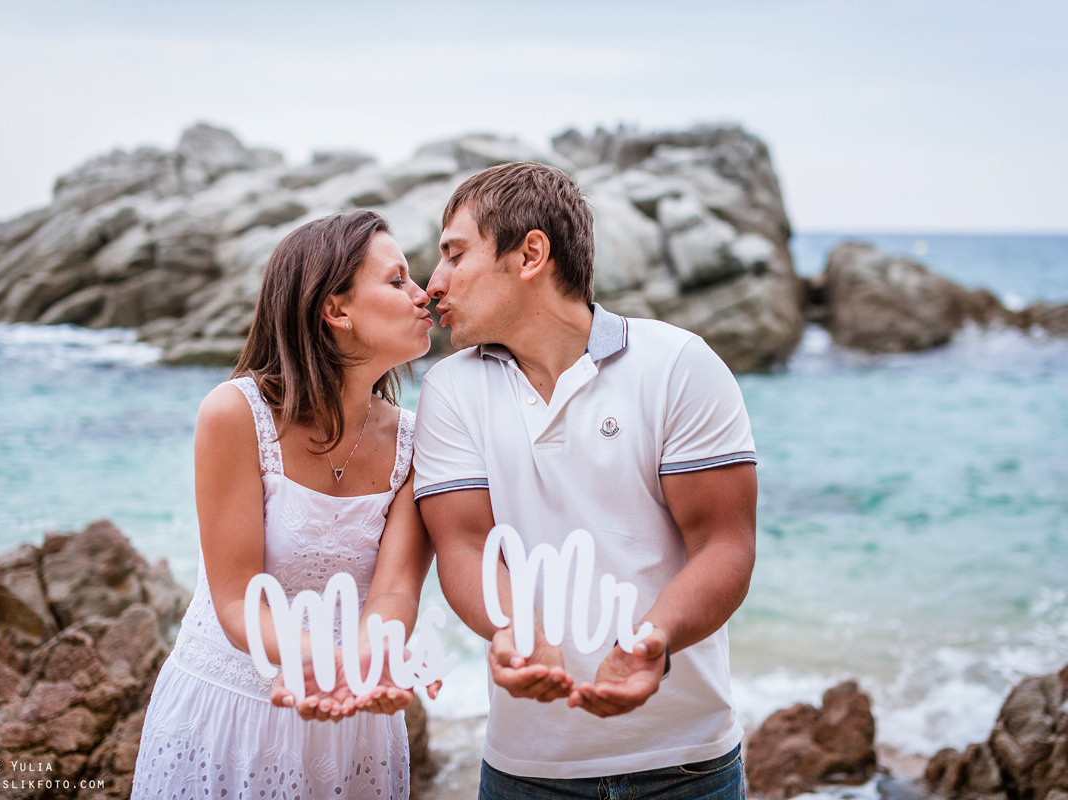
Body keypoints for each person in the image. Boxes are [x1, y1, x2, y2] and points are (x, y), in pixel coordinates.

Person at [413, 162, 758, 799]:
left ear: (530, 254)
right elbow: (462, 546)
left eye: (454, 255)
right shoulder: (449, 390)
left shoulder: (679, 365)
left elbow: (725, 547)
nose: (432, 285)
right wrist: (518, 632)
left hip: (688, 764)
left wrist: (653, 638)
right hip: (527, 770)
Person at [132, 210, 437, 799]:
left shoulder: (417, 441)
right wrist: (320, 661)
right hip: (231, 711)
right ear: (337, 310)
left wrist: (359, 666)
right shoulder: (235, 414)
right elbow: (236, 595)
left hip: (354, 718)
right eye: (397, 280)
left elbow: (396, 591)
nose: (423, 294)